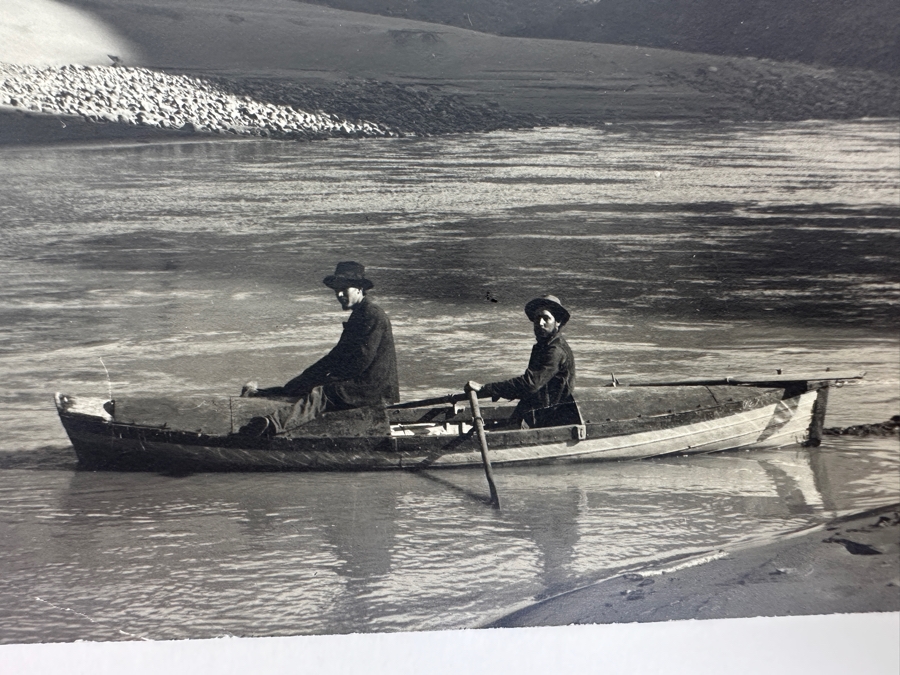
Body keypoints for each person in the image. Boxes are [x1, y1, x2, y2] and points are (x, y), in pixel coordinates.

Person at [240, 261, 399, 436]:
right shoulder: (360, 314)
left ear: (359, 289)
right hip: (361, 384)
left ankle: (272, 424)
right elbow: (336, 356)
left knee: (322, 394)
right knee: (303, 384)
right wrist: (308, 376)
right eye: (336, 290)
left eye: (344, 289)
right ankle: (259, 395)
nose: (339, 294)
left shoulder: (372, 315)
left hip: (372, 389)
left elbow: (362, 360)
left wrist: (329, 380)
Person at [466, 295, 575, 429]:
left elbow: (530, 384)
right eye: (537, 318)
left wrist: (487, 389)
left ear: (557, 322)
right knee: (483, 430)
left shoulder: (555, 350)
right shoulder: (543, 346)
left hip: (549, 417)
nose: (540, 323)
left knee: (487, 433)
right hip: (535, 410)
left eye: (546, 318)